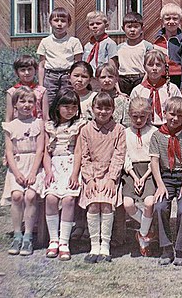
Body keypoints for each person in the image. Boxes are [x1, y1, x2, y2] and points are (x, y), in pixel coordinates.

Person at [78, 93, 126, 263]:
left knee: (106, 205)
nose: (103, 112)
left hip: (110, 175)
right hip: (91, 175)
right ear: (92, 109)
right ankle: (94, 246)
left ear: (113, 110)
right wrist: (89, 179)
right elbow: (84, 157)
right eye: (99, 107)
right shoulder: (85, 130)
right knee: (92, 206)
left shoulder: (119, 130)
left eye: (107, 108)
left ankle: (105, 246)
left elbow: (119, 156)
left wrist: (112, 179)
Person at [149, 97, 182, 266]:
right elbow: (154, 162)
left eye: (180, 115)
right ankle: (166, 247)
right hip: (166, 177)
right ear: (165, 113)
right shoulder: (157, 135)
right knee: (160, 206)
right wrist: (160, 185)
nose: (175, 118)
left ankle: (181, 248)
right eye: (172, 114)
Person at [41, 90, 85, 261]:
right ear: (57, 107)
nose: (70, 110)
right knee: (51, 198)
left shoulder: (78, 125)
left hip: (71, 165)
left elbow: (79, 151)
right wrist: (48, 171)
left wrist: (75, 174)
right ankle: (54, 239)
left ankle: (64, 242)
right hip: (54, 166)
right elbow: (46, 152)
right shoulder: (50, 126)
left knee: (68, 199)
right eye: (66, 106)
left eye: (74, 107)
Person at [2, 87, 45, 256]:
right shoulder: (10, 125)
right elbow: (9, 152)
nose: (27, 105)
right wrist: (17, 172)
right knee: (17, 196)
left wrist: (33, 172)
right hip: (17, 166)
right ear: (15, 104)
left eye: (30, 102)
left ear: (35, 104)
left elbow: (40, 149)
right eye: (22, 101)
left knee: (30, 196)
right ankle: (17, 234)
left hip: (34, 164)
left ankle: (28, 236)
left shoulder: (38, 123)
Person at [122, 97, 158, 256]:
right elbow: (124, 156)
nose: (138, 120)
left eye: (142, 116)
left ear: (149, 115)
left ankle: (142, 235)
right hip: (131, 171)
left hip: (149, 171)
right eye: (134, 116)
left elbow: (155, 157)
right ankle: (147, 228)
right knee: (128, 204)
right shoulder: (124, 133)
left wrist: (143, 178)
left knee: (149, 203)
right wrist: (134, 177)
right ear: (129, 114)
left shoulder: (154, 132)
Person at [36, 7, 83, 106]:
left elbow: (78, 64)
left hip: (67, 76)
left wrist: (74, 79)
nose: (59, 24)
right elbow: (41, 65)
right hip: (50, 77)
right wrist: (40, 86)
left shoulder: (74, 41)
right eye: (56, 20)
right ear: (50, 22)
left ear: (69, 23)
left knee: (66, 101)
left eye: (63, 21)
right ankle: (49, 121)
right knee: (49, 102)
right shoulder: (45, 41)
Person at [130, 50, 182, 126]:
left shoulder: (172, 89)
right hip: (145, 127)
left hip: (167, 128)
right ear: (144, 67)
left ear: (164, 67)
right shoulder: (138, 91)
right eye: (150, 65)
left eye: (158, 65)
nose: (154, 68)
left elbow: (179, 109)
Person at [153, 3, 182, 88]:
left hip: (177, 79)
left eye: (175, 18)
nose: (171, 21)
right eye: (167, 19)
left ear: (180, 21)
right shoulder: (157, 41)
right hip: (159, 79)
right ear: (161, 21)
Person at [117, 12, 153, 96]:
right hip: (123, 79)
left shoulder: (147, 46)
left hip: (140, 78)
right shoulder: (119, 48)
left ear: (142, 29)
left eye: (136, 27)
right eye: (129, 27)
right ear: (123, 28)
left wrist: (143, 83)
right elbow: (115, 69)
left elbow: (150, 66)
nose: (132, 30)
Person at [6, 55, 48, 122]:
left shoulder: (42, 91)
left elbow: (46, 117)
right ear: (17, 73)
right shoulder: (12, 92)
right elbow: (9, 117)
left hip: (37, 127)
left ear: (35, 70)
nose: (27, 73)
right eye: (23, 70)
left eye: (29, 69)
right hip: (19, 128)